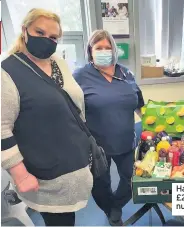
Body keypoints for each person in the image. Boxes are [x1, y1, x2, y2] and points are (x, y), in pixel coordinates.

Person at [1, 8, 93, 226]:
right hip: (46, 175)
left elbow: (73, 103)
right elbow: (2, 128)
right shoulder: (8, 71)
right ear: (25, 31)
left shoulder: (58, 63)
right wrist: (21, 175)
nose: (47, 40)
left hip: (75, 166)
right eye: (39, 32)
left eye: (53, 37)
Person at [73, 30, 144, 226]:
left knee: (132, 179)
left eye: (108, 47)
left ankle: (116, 205)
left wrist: (155, 123)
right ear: (90, 51)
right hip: (97, 146)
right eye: (99, 48)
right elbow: (70, 111)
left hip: (126, 140)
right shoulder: (80, 76)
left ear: (114, 50)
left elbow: (140, 103)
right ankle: (109, 209)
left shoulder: (126, 73)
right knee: (100, 185)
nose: (104, 51)